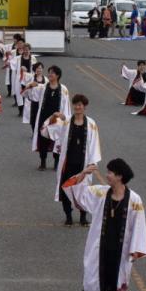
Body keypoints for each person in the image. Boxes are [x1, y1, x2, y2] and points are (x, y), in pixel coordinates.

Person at [62, 158, 146, 291]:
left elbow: (139, 225)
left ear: (119, 176)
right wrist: (84, 173)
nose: (107, 175)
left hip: (120, 248)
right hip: (100, 246)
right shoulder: (101, 193)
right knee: (98, 277)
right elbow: (76, 191)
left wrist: (135, 249)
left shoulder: (135, 200)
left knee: (119, 278)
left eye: (110, 172)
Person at [42, 94, 102, 226]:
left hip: (83, 163)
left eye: (80, 104)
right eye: (75, 104)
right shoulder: (66, 121)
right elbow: (47, 131)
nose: (77, 107)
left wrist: (92, 162)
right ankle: (68, 216)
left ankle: (83, 217)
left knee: (83, 190)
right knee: (66, 188)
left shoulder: (91, 124)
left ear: (84, 107)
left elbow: (94, 143)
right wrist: (54, 117)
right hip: (67, 163)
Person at [31, 65, 69, 170]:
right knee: (43, 140)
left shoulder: (64, 89)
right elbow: (32, 96)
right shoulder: (43, 87)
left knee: (57, 140)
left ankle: (56, 162)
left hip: (57, 119)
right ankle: (43, 162)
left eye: (52, 73)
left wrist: (64, 117)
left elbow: (66, 105)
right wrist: (31, 86)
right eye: (49, 72)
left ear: (57, 75)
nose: (50, 74)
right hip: (44, 118)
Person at [21, 61, 47, 131]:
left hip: (43, 102)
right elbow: (25, 88)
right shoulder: (31, 78)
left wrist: (39, 85)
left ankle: (40, 132)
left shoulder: (46, 79)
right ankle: (34, 132)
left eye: (41, 68)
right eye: (38, 68)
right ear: (35, 69)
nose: (39, 70)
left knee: (42, 118)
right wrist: (30, 85)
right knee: (33, 118)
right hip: (34, 102)